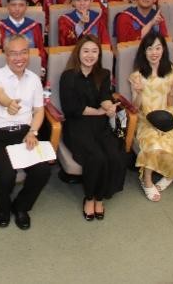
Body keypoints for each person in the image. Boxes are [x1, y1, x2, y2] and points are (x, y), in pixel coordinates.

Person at [0, 35, 52, 230]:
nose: (19, 58)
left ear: (28, 54)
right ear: (6, 55)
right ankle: (4, 207)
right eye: (13, 53)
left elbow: (39, 111)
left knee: (43, 171)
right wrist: (9, 103)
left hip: (24, 133)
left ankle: (21, 207)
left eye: (23, 52)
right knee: (6, 176)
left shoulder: (34, 79)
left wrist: (33, 132)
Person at [59, 35, 125, 220]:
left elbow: (105, 96)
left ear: (99, 54)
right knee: (96, 157)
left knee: (113, 155)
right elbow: (71, 108)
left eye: (94, 51)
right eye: (86, 51)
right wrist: (98, 112)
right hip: (77, 124)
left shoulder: (103, 74)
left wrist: (108, 107)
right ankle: (89, 197)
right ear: (78, 53)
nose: (90, 55)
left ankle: (100, 197)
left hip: (100, 125)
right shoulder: (68, 76)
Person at [129, 31, 173, 202]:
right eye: (150, 48)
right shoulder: (137, 75)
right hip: (146, 118)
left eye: (158, 48)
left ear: (163, 50)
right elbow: (134, 108)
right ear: (144, 51)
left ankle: (170, 173)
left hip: (166, 115)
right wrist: (139, 93)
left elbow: (171, 104)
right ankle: (147, 180)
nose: (154, 52)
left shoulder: (171, 71)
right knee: (154, 144)